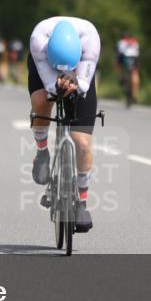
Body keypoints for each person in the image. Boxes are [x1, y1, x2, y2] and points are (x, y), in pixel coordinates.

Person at [28, 17, 101, 233]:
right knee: (42, 102)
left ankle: (82, 203)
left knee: (82, 142)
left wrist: (77, 85)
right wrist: (55, 86)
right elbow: (49, 83)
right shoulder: (38, 40)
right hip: (43, 67)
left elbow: (85, 84)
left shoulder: (90, 40)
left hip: (80, 72)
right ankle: (42, 152)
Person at [115, 30, 141, 103]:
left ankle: (121, 77)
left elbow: (118, 52)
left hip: (125, 56)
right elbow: (138, 51)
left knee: (116, 64)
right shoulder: (134, 41)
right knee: (135, 73)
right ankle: (135, 94)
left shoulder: (121, 41)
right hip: (134, 57)